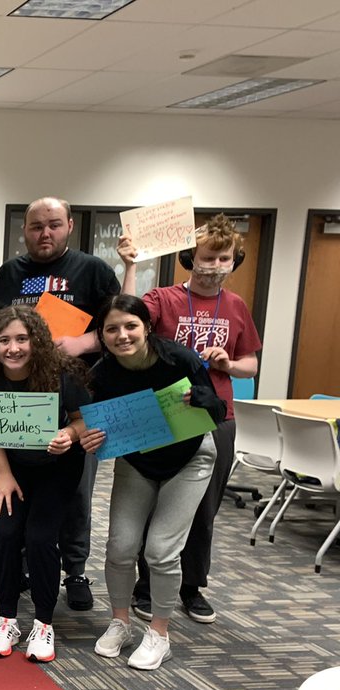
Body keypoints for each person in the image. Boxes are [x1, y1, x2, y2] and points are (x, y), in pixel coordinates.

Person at [0, 197, 121, 612]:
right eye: (37, 226)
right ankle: (25, 568)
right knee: (19, 491)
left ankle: (74, 570)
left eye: (54, 225)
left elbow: (121, 323)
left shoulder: (91, 270)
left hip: (74, 398)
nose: (45, 233)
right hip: (16, 404)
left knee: (75, 493)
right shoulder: (11, 272)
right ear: (24, 230)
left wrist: (85, 342)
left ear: (70, 226)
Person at [120, 215, 261, 625]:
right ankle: (145, 587)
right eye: (208, 257)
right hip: (162, 414)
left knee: (203, 509)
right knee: (153, 504)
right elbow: (127, 319)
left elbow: (250, 363)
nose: (216, 265)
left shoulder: (236, 307)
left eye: (225, 258)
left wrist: (230, 363)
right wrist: (130, 266)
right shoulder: (164, 299)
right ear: (189, 258)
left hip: (216, 415)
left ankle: (192, 587)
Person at [81, 295, 225, 670]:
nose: (122, 335)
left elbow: (218, 410)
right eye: (111, 329)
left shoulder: (180, 360)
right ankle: (120, 622)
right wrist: (92, 438)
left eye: (130, 325)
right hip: (139, 461)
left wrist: (203, 398)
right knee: (121, 545)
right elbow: (96, 425)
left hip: (189, 458)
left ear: (146, 326)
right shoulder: (102, 374)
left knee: (160, 549)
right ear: (102, 335)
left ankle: (159, 634)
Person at [0, 306, 89, 663]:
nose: (13, 348)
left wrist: (69, 433)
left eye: (22, 339)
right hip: (11, 468)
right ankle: (7, 618)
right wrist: (3, 474)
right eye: (4, 340)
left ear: (36, 341)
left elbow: (84, 421)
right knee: (4, 534)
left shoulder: (62, 373)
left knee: (39, 538)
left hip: (57, 466)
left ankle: (44, 622)